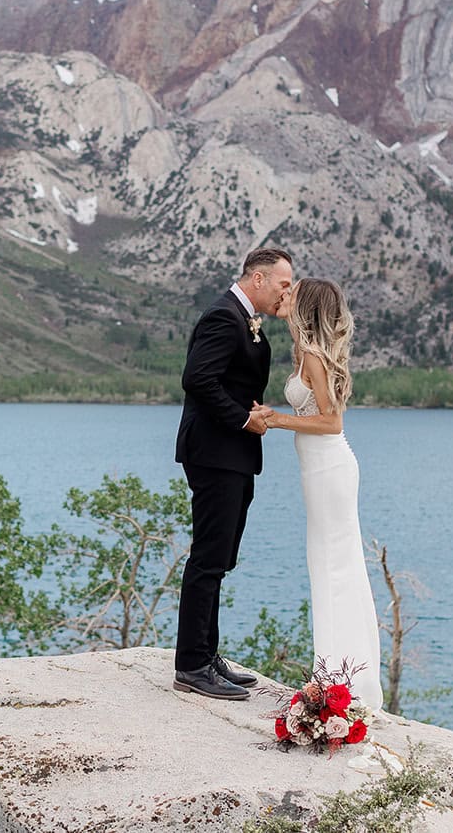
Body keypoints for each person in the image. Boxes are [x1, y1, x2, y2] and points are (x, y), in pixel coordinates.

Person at [172, 247, 294, 700]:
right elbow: (198, 379)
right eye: (283, 284)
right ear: (258, 280)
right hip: (215, 452)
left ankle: (206, 653)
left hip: (233, 455)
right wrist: (246, 419)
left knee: (221, 557)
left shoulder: (246, 319)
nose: (287, 292)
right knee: (207, 557)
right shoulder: (224, 317)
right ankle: (190, 665)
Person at [266, 278, 383, 710]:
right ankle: (334, 675)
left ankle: (342, 683)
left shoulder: (314, 356)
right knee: (327, 567)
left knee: (335, 568)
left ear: (305, 304)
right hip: (317, 471)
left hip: (330, 468)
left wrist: (276, 420)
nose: (285, 293)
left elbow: (332, 422)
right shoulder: (303, 351)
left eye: (292, 290)